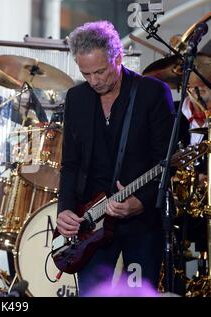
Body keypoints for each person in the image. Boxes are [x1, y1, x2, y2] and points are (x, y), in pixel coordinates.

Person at [56, 21, 174, 296]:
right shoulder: (76, 98)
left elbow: (166, 161)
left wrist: (141, 202)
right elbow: (70, 163)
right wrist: (65, 209)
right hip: (91, 224)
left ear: (118, 57)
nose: (95, 80)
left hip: (140, 223)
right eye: (87, 74)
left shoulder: (152, 93)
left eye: (100, 71)